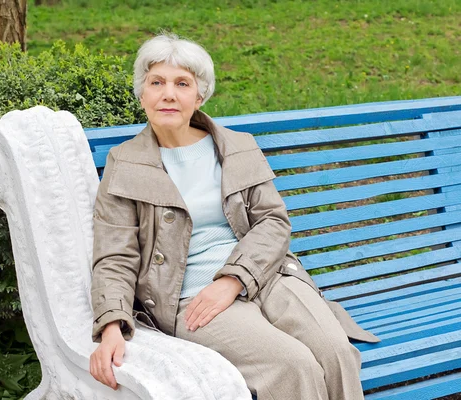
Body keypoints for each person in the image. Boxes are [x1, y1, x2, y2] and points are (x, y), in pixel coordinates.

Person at [88, 33, 379, 400]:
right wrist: (112, 324)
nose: (168, 94)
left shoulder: (236, 146)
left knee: (336, 353)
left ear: (200, 95)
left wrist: (233, 280)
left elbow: (273, 223)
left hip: (266, 276)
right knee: (292, 366)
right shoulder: (126, 163)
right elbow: (114, 254)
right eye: (156, 82)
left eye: (182, 83)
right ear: (142, 93)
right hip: (191, 298)